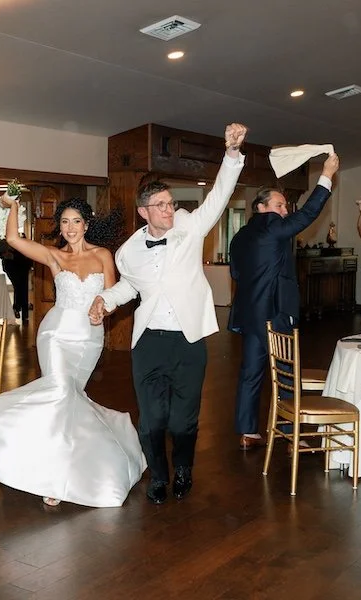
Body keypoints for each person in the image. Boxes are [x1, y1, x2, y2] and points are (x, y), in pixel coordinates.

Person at [90, 123, 248, 504]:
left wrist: (231, 155)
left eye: (170, 202)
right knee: (152, 420)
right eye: (160, 205)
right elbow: (131, 285)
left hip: (188, 341)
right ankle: (158, 475)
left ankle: (184, 468)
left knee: (183, 420)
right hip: (148, 343)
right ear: (144, 211)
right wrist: (106, 301)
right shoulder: (129, 251)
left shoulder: (190, 227)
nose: (169, 209)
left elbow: (219, 196)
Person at [0, 196, 144, 508]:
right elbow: (12, 239)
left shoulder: (103, 255)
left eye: (76, 221)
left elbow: (111, 295)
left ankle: (64, 468)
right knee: (60, 391)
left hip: (88, 339)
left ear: (86, 225)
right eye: (64, 222)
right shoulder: (53, 257)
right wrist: (13, 207)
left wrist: (101, 312)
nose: (70, 228)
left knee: (71, 402)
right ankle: (50, 477)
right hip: (55, 334)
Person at [227, 155, 339, 450]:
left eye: (284, 206)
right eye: (279, 205)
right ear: (261, 208)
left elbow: (237, 273)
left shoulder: (239, 237)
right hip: (276, 313)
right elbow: (308, 215)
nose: (284, 210)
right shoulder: (271, 227)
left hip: (250, 315)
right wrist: (326, 176)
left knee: (251, 373)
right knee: (288, 373)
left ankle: (248, 431)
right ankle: (291, 433)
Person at [0, 238, 33, 321]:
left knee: (22, 288)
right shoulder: (6, 242)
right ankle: (20, 310)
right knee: (19, 287)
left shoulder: (23, 241)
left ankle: (21, 311)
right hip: (12, 267)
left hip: (23, 266)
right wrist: (5, 254)